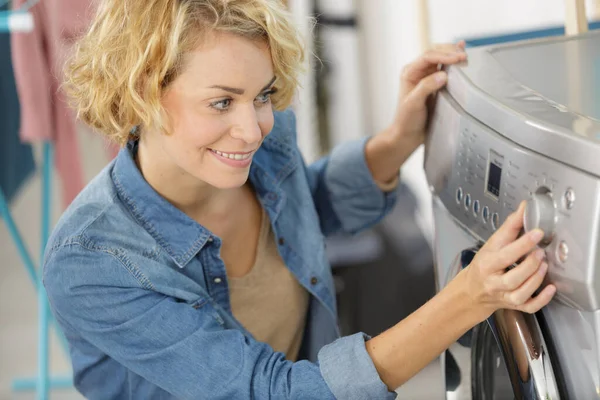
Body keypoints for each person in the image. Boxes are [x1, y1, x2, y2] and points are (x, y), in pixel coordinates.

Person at [43, 0, 557, 399]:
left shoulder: (258, 145)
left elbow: (307, 207)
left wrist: (397, 140)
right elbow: (271, 392)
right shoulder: (93, 262)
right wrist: (469, 299)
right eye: (221, 101)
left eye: (262, 95)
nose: (250, 130)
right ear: (142, 92)